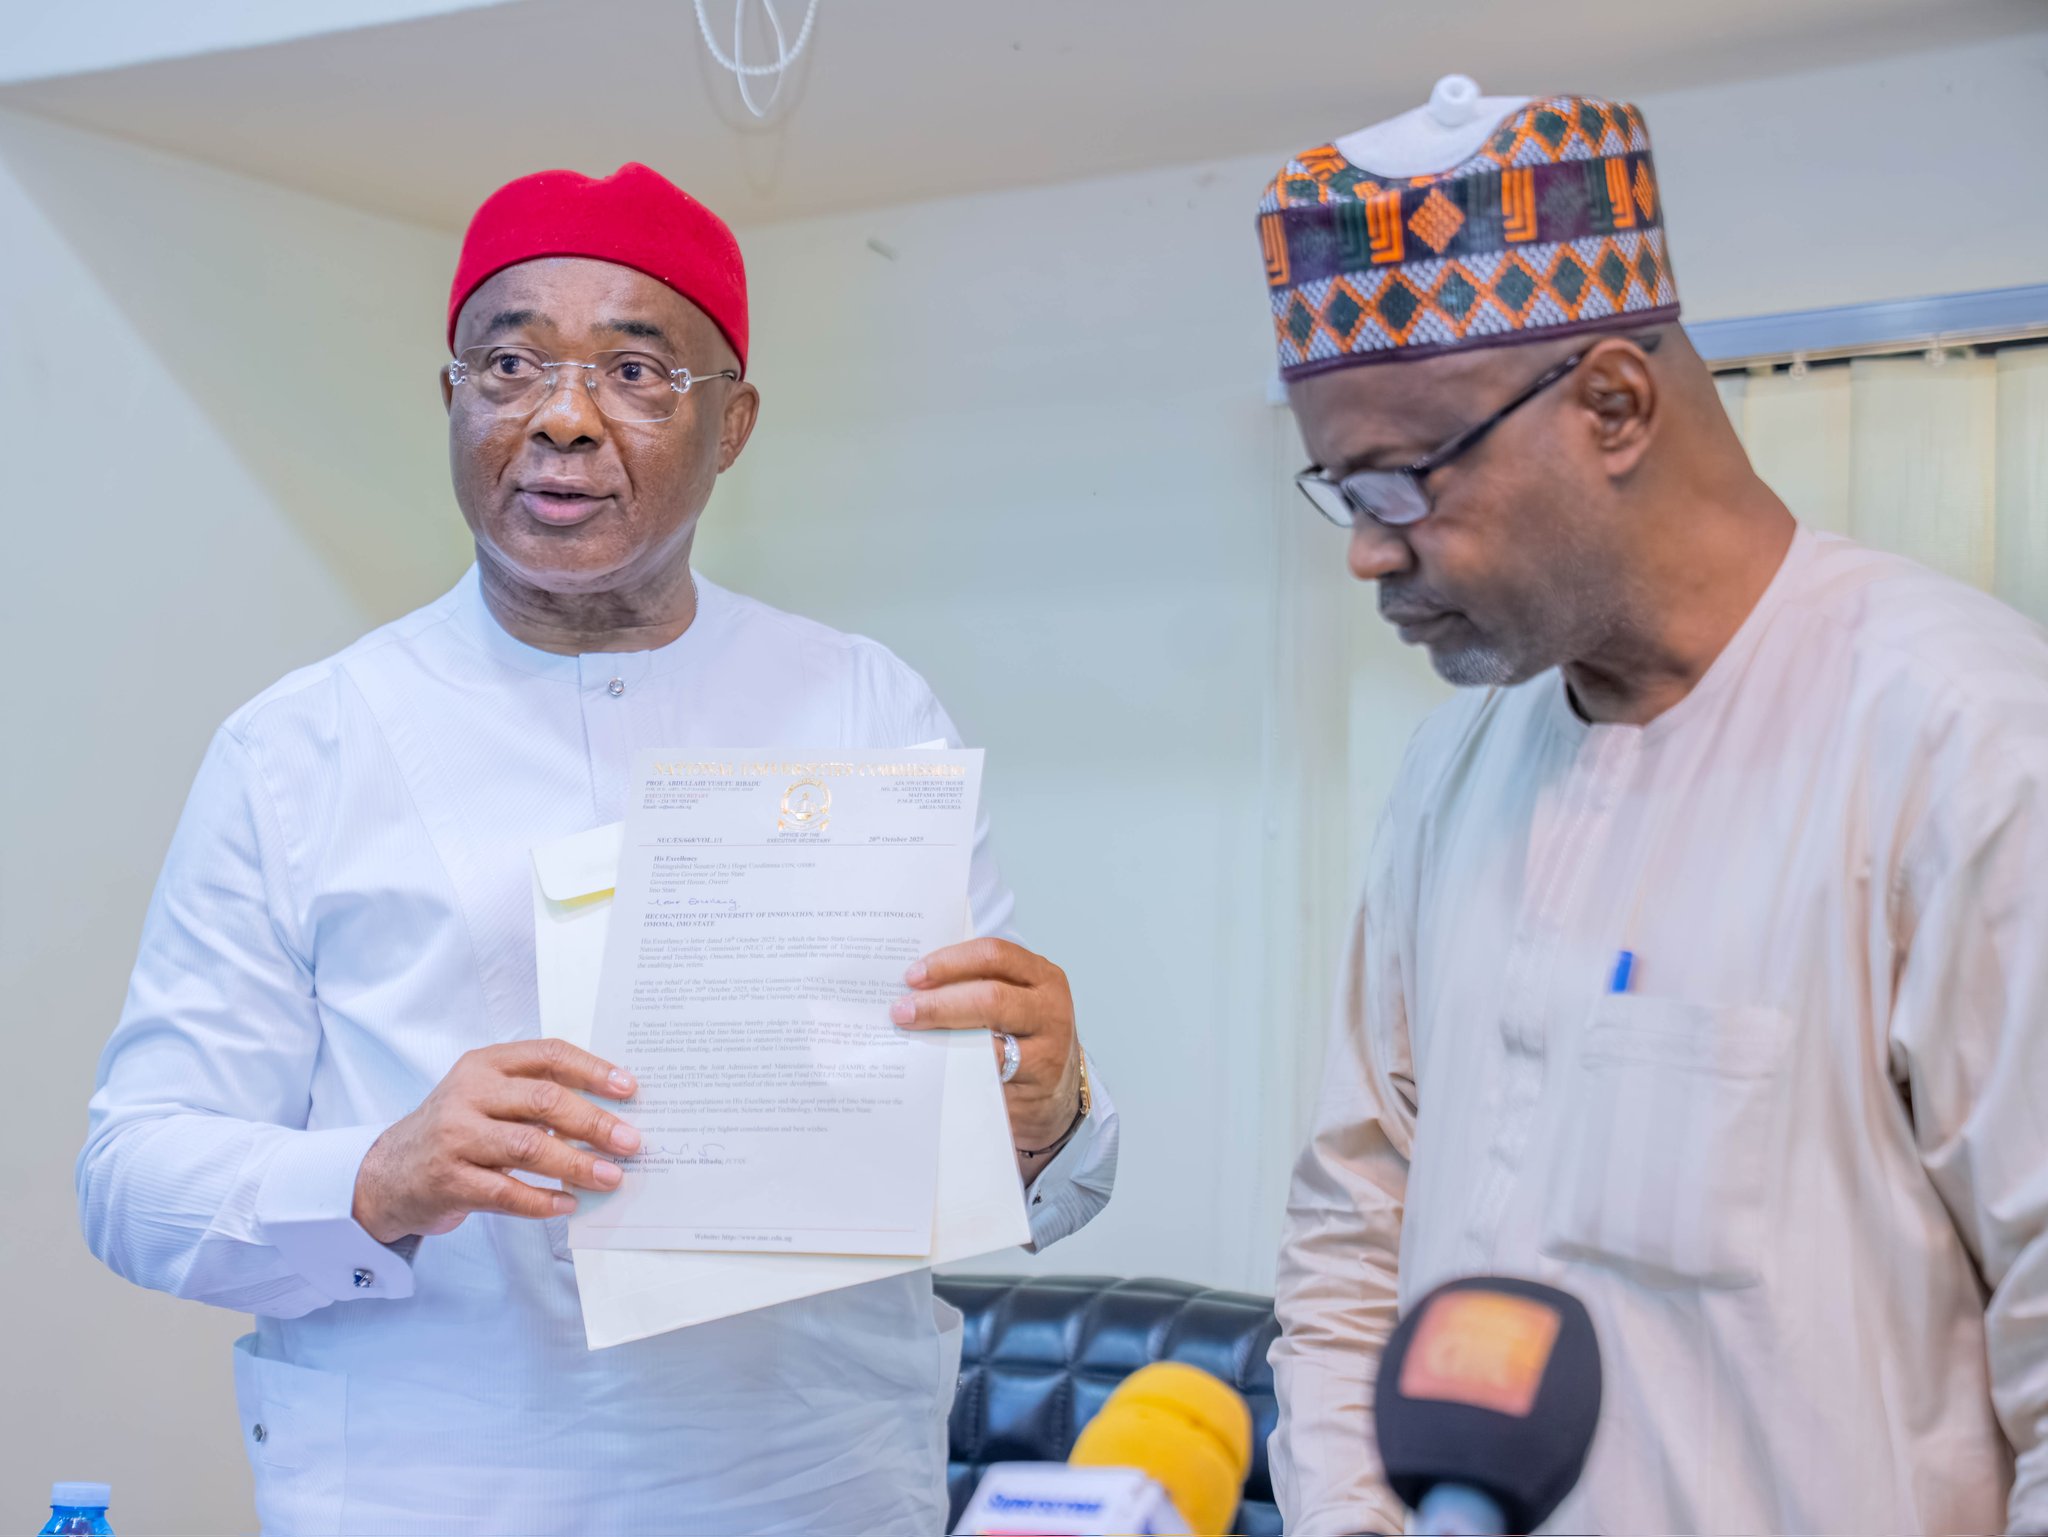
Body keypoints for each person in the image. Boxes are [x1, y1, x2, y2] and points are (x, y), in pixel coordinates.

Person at [77, 162, 1116, 1535]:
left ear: (733, 424)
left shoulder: (864, 707)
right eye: (509, 364)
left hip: (810, 1481)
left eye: (635, 371)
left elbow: (997, 1142)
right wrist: (381, 1173)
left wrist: (1046, 1115)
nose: (562, 418)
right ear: (451, 397)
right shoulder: (300, 744)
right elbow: (133, 1176)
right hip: (431, 1485)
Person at [1257, 81, 2048, 1532]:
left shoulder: (1967, 742)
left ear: (1613, 406)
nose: (1367, 554)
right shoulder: (1453, 771)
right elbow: (1352, 1238)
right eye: (1343, 494)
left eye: (1400, 485)